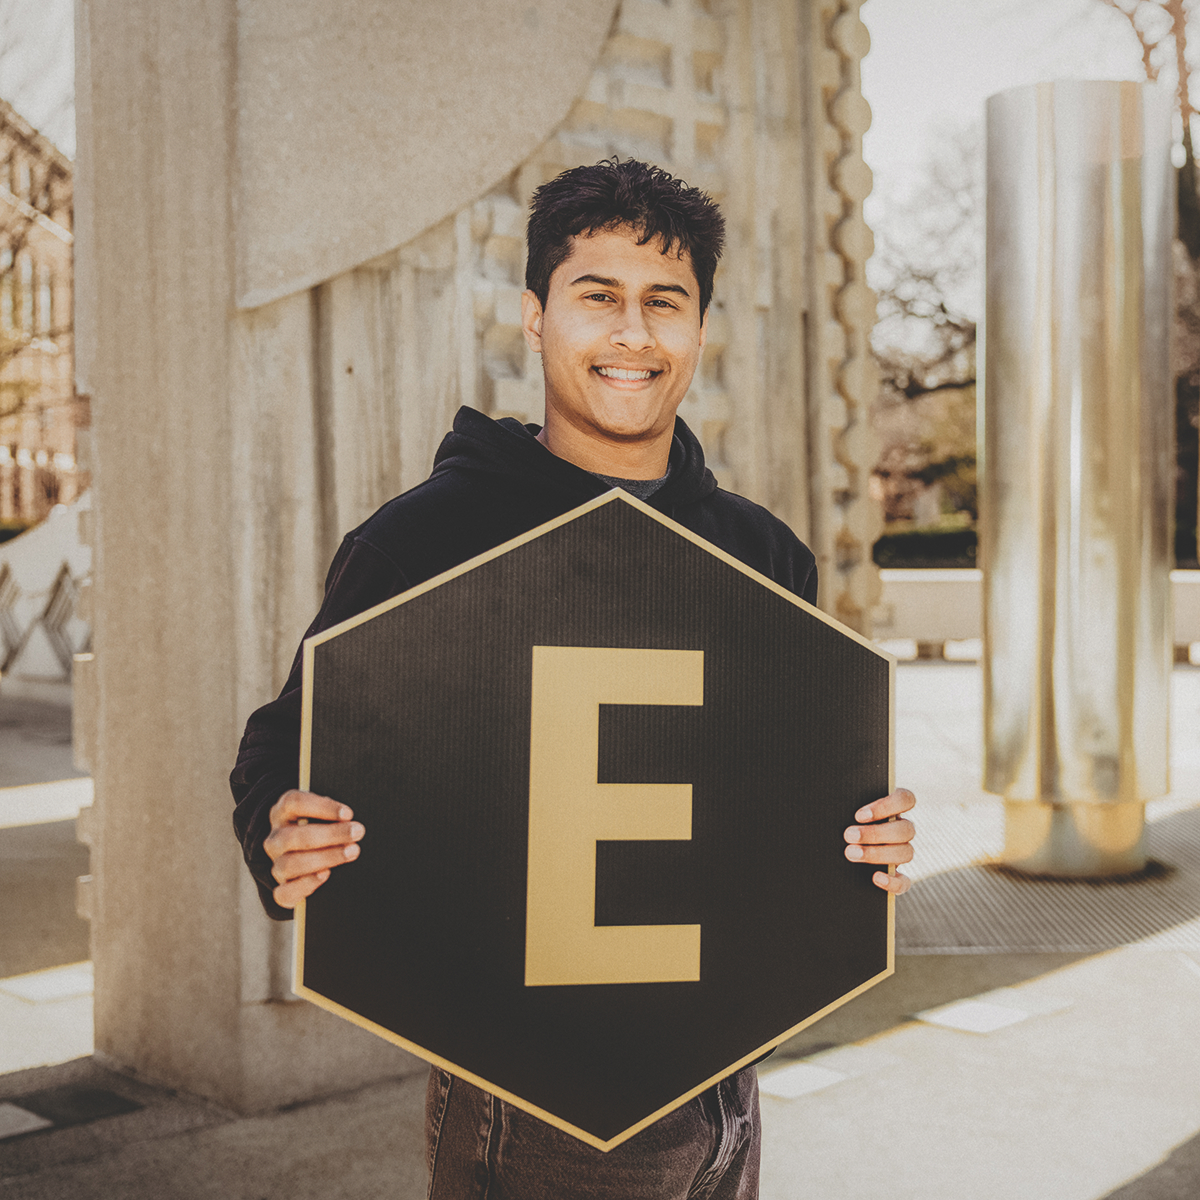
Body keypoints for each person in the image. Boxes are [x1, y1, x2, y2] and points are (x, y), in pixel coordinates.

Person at [231, 157, 916, 1199]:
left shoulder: (764, 554)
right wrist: (280, 824)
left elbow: (782, 785)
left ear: (700, 329)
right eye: (598, 296)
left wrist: (861, 835)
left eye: (665, 303)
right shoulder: (426, 539)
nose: (633, 333)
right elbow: (284, 745)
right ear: (534, 318)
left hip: (728, 1086)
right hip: (531, 1099)